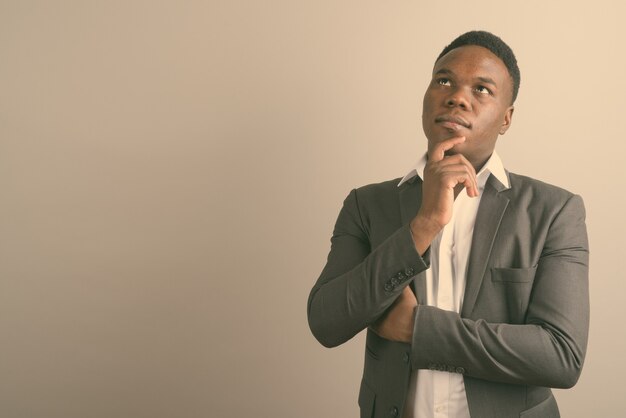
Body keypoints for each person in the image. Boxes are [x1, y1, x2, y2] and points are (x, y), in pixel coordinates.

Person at [307, 31, 589, 418]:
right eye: (444, 81)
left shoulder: (554, 210)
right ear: (425, 97)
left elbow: (561, 356)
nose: (458, 96)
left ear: (506, 118)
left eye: (483, 89)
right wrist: (424, 224)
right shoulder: (367, 204)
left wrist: (418, 329)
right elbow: (326, 322)